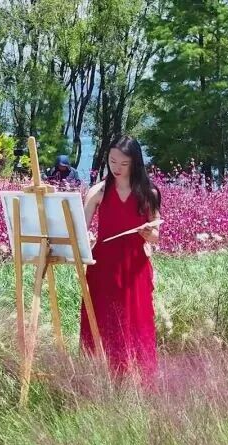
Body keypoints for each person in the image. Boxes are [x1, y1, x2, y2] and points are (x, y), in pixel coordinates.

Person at [80, 135, 161, 383]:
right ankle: (100, 377)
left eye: (123, 163)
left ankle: (137, 379)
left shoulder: (148, 193)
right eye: (112, 161)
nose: (116, 167)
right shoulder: (98, 192)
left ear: (135, 163)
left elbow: (156, 235)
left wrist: (148, 234)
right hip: (103, 264)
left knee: (136, 319)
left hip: (135, 266)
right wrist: (85, 238)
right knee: (102, 318)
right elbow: (80, 229)